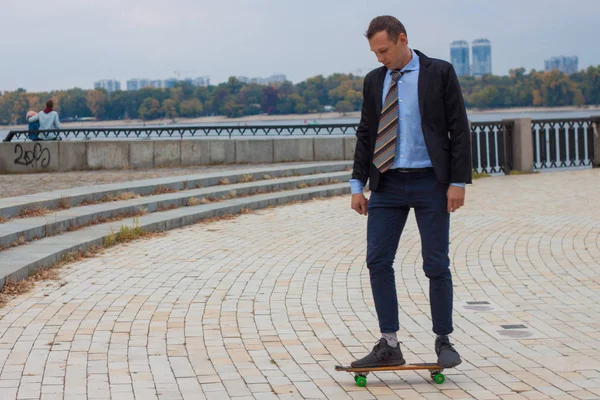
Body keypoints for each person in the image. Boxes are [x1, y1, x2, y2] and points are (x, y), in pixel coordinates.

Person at [349, 15, 471, 369]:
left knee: (435, 264)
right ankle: (389, 343)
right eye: (374, 52)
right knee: (377, 260)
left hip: (430, 182)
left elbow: (458, 129)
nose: (379, 58)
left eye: (384, 50)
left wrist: (457, 182)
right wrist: (358, 185)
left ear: (402, 39)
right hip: (386, 182)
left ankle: (443, 340)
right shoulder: (375, 81)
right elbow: (366, 134)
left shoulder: (440, 73)